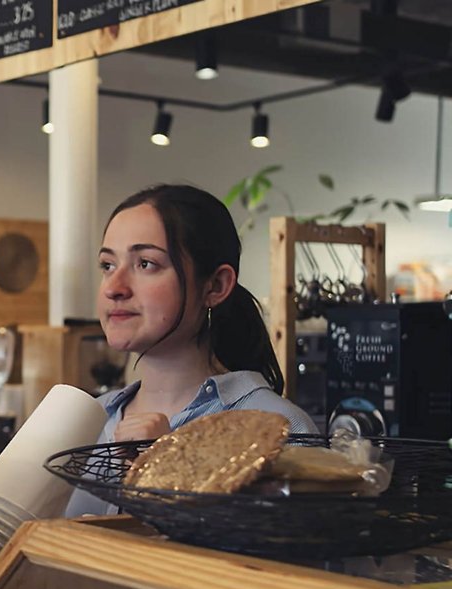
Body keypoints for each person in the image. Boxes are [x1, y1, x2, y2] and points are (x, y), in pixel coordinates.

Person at [66, 184, 316, 517]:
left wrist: (172, 470)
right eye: (108, 265)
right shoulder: (85, 419)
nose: (114, 288)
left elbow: (282, 564)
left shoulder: (279, 429)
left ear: (215, 286)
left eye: (146, 264)